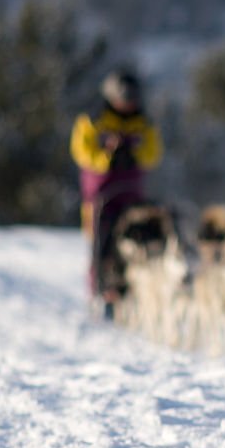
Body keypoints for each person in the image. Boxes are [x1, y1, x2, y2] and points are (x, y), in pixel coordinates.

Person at [70, 68, 163, 302]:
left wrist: (134, 155)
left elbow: (153, 152)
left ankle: (135, 292)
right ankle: (101, 290)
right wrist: (106, 158)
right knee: (103, 241)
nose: (128, 105)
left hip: (132, 193)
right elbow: (81, 151)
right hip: (101, 194)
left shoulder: (143, 123)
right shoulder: (93, 119)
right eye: (124, 100)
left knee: (139, 238)